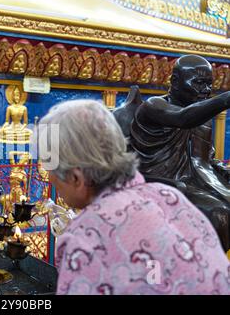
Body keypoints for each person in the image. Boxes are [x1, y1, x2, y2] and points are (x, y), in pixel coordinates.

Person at [37, 99, 230, 295]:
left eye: (49, 169)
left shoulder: (85, 238)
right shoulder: (170, 196)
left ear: (76, 178)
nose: (50, 178)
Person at [115, 55, 230, 252]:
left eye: (209, 84)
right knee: (220, 214)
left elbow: (204, 160)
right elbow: (183, 118)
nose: (207, 90)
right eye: (199, 83)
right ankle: (204, 271)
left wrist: (222, 169)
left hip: (199, 180)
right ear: (175, 81)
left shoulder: (202, 116)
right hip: (163, 183)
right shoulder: (154, 106)